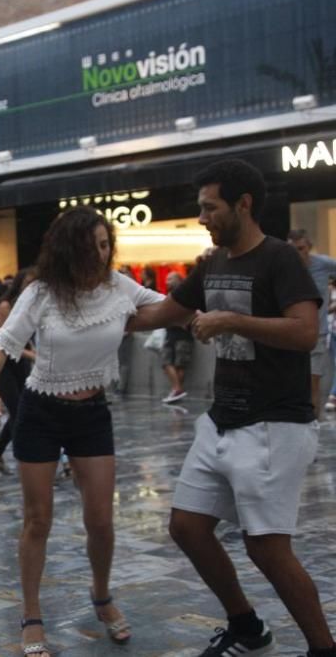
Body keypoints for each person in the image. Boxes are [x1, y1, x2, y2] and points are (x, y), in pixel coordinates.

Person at [127, 159, 335, 657]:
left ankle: (323, 649)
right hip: (222, 421)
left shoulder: (280, 258)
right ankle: (246, 627)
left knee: (266, 546)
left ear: (243, 204)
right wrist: (86, 316)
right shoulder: (212, 263)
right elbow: (161, 312)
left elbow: (305, 330)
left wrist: (230, 321)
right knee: (187, 527)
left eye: (209, 207)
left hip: (273, 425)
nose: (202, 218)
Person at [0, 207, 163, 657]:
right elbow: (2, 343)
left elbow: (161, 307)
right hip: (41, 413)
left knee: (101, 520)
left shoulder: (119, 287)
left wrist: (202, 315)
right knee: (37, 519)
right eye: (91, 246)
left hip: (92, 413)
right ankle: (32, 614)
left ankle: (101, 596)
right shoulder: (42, 292)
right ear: (69, 248)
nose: (100, 255)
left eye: (105, 245)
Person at [0, 269, 35, 475]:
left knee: (21, 411)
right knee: (18, 411)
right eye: (29, 283)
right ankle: (28, 461)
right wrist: (33, 355)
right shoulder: (5, 306)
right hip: (2, 363)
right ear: (19, 285)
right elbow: (7, 340)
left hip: (18, 362)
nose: (32, 288)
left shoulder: (28, 306)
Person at [287, 229, 336, 414]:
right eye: (293, 250)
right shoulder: (286, 268)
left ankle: (313, 425)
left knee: (313, 383)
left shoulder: (322, 264)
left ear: (309, 248)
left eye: (301, 248)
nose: (298, 254)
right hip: (291, 333)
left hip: (318, 333)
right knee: (294, 384)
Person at [160, 271, 193, 403]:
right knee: (167, 362)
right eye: (167, 278)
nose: (168, 281)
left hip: (183, 335)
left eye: (171, 278)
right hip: (171, 334)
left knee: (180, 364)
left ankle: (176, 390)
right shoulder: (167, 296)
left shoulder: (186, 295)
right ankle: (177, 389)